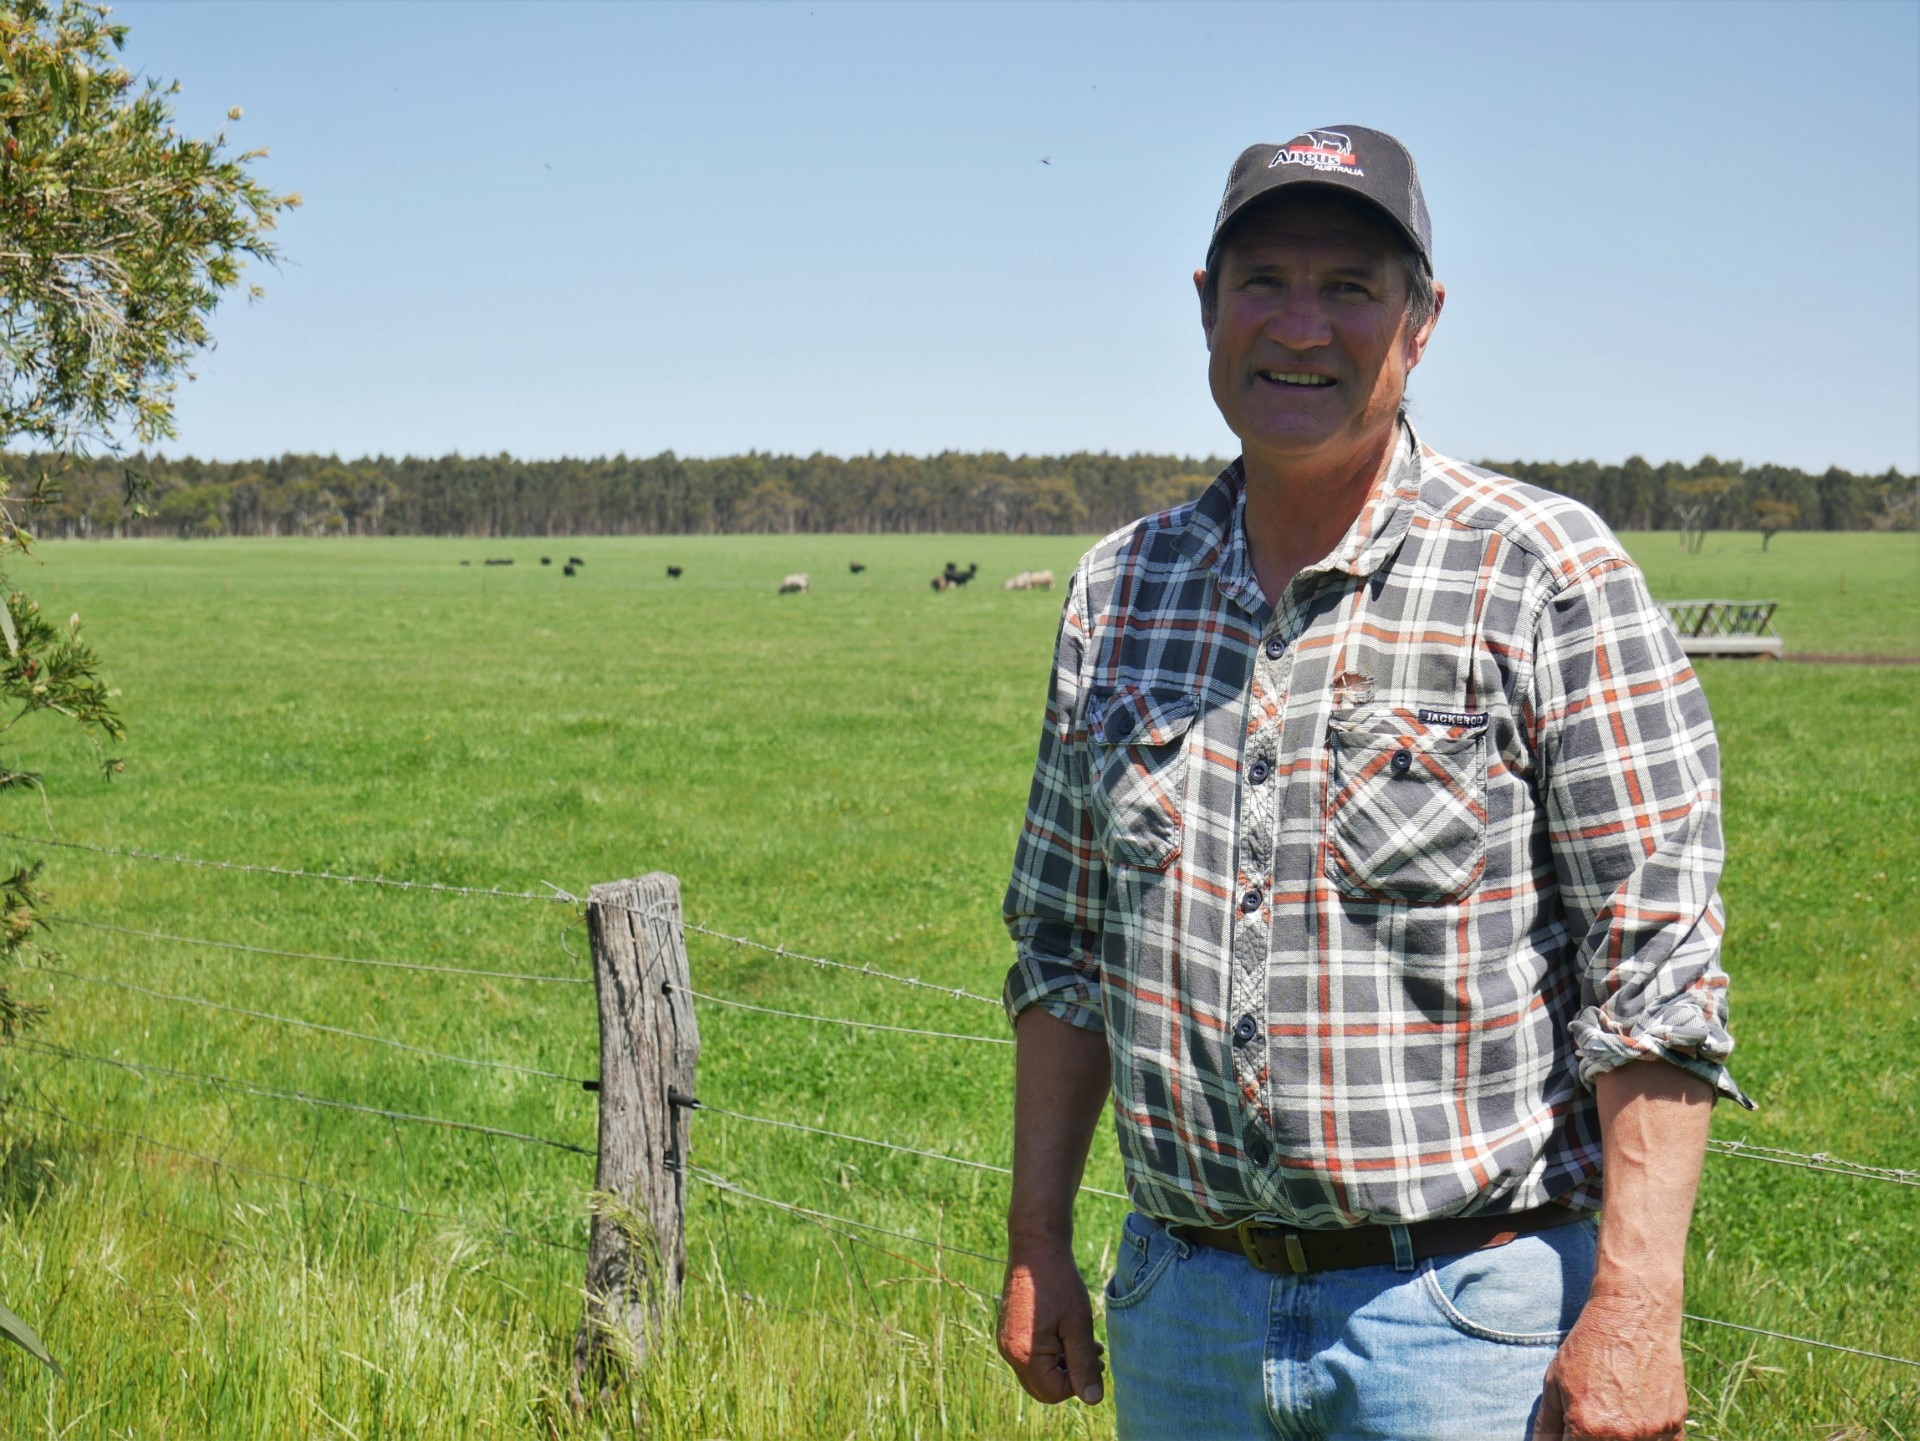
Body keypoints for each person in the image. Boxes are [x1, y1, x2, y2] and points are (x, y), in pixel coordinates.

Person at [995, 126, 1749, 1441]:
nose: (1302, 325)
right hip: (1181, 1312)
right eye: (1265, 281)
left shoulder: (1542, 574)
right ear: (1207, 306)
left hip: (1463, 1326)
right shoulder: (1121, 590)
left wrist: (1637, 1304)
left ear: (1421, 320)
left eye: (1350, 286)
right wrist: (1037, 1239)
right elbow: (1064, 951)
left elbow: (1656, 979)